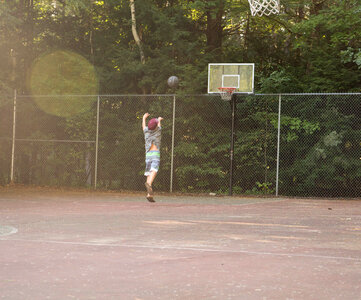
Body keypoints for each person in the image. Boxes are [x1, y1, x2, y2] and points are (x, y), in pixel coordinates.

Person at [142, 113, 163, 202]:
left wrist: (143, 118)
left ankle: (149, 194)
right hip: (155, 153)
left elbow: (143, 126)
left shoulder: (146, 131)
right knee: (154, 169)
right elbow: (158, 126)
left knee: (148, 172)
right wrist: (159, 120)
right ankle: (149, 183)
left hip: (148, 154)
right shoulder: (158, 131)